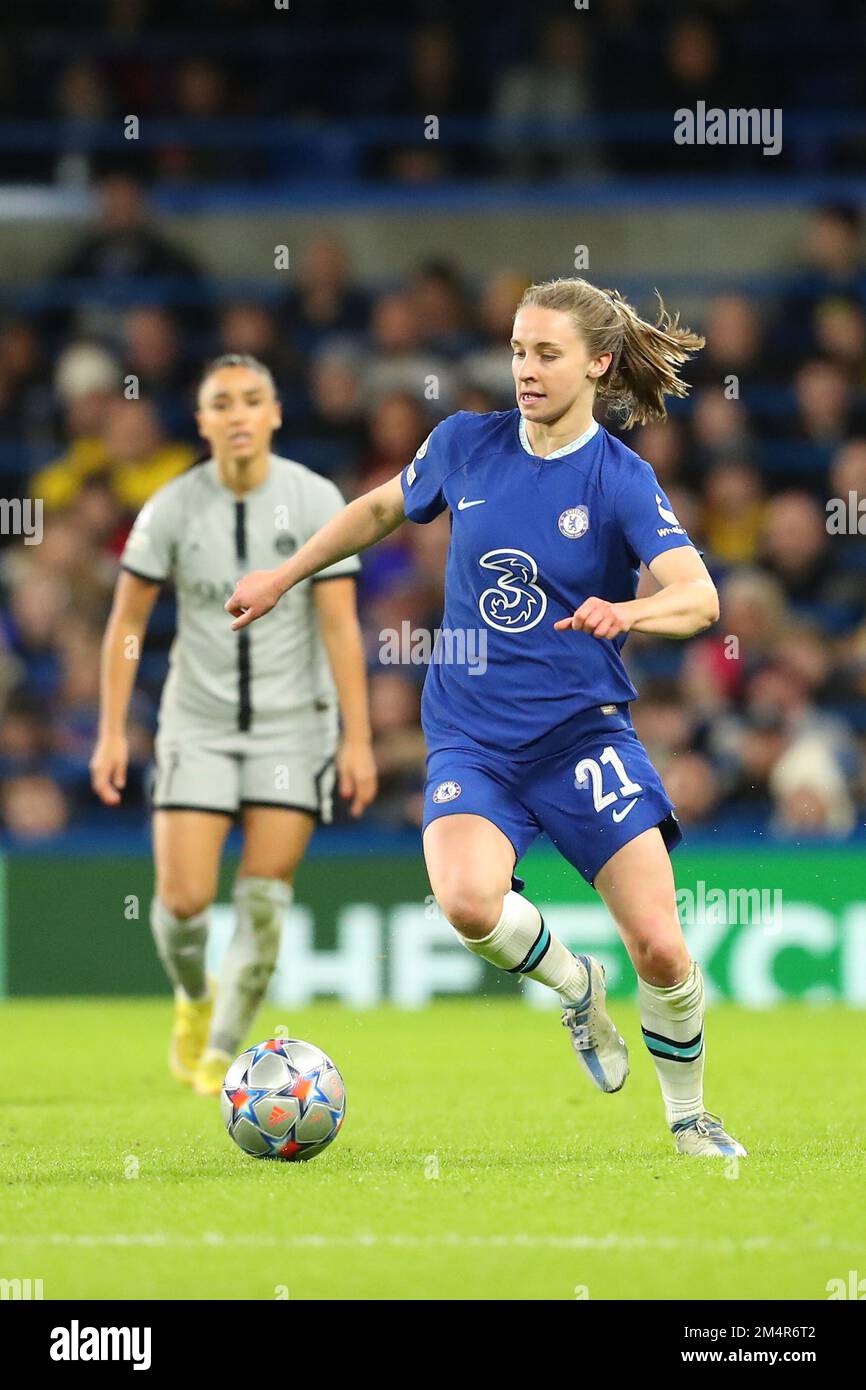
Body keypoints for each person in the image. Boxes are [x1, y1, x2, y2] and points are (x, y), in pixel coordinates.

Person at [226, 279, 746, 1158]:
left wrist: (630, 611)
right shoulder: (465, 443)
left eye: (546, 354)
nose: (526, 370)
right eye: (517, 350)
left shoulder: (621, 479)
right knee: (468, 902)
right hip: (473, 735)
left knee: (660, 947)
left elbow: (698, 598)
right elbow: (383, 507)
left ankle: (690, 1116)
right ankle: (576, 986)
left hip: (583, 737)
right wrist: (285, 574)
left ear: (598, 363)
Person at [91, 354, 376, 1095]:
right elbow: (126, 621)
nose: (240, 414)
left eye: (254, 400)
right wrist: (112, 729)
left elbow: (342, 629)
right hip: (198, 723)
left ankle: (221, 1052)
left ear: (276, 413)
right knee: (184, 903)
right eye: (223, 403)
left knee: (263, 893)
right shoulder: (171, 507)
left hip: (294, 728)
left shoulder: (316, 499)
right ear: (203, 421)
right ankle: (193, 995)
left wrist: (358, 737)